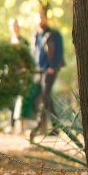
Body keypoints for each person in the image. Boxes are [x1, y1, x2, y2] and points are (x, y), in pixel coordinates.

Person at [30, 10, 64, 139]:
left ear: (46, 18)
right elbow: (34, 53)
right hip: (38, 71)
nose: (40, 20)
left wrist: (53, 67)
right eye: (38, 18)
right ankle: (54, 126)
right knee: (44, 97)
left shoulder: (54, 34)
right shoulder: (35, 35)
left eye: (42, 17)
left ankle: (40, 126)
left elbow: (59, 52)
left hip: (49, 70)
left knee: (45, 96)